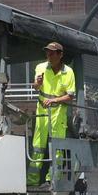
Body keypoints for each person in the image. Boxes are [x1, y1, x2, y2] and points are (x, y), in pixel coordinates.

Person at [27, 42, 76, 187]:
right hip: (42, 111)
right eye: (47, 52)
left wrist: (54, 100)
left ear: (60, 55)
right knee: (38, 146)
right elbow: (35, 88)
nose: (48, 55)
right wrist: (37, 83)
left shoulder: (69, 72)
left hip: (59, 112)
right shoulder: (40, 67)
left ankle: (53, 180)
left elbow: (70, 96)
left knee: (57, 147)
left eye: (52, 52)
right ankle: (32, 181)